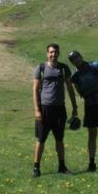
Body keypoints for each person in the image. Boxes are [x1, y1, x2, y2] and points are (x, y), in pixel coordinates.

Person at [32, 43, 79, 177]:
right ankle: (36, 168)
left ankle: (62, 166)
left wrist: (75, 107)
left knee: (59, 139)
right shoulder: (41, 68)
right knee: (41, 139)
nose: (53, 54)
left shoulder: (64, 69)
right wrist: (37, 110)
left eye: (56, 52)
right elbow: (35, 89)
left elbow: (70, 89)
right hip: (44, 109)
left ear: (58, 53)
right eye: (51, 52)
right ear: (47, 54)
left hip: (60, 109)